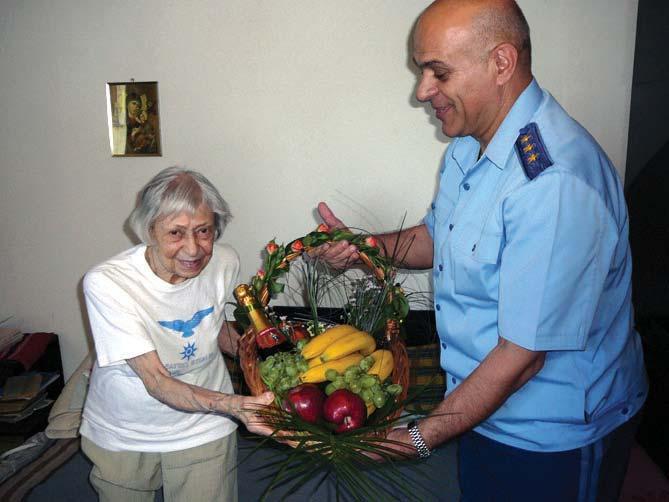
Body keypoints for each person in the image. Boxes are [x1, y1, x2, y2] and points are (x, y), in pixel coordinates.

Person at [314, 0, 648, 500]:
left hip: (550, 435)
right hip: (480, 406)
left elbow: (522, 357)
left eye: (438, 72)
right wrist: (368, 247)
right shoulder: (470, 147)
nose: (423, 91)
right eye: (422, 71)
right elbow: (438, 239)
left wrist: (414, 440)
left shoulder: (552, 183)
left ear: (501, 63)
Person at [79, 167, 274, 501]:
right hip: (126, 431)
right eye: (175, 233)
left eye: (203, 231)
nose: (193, 249)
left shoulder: (224, 261)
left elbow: (211, 327)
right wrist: (235, 406)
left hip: (205, 425)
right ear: (150, 230)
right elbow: (157, 382)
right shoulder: (108, 282)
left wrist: (259, 357)